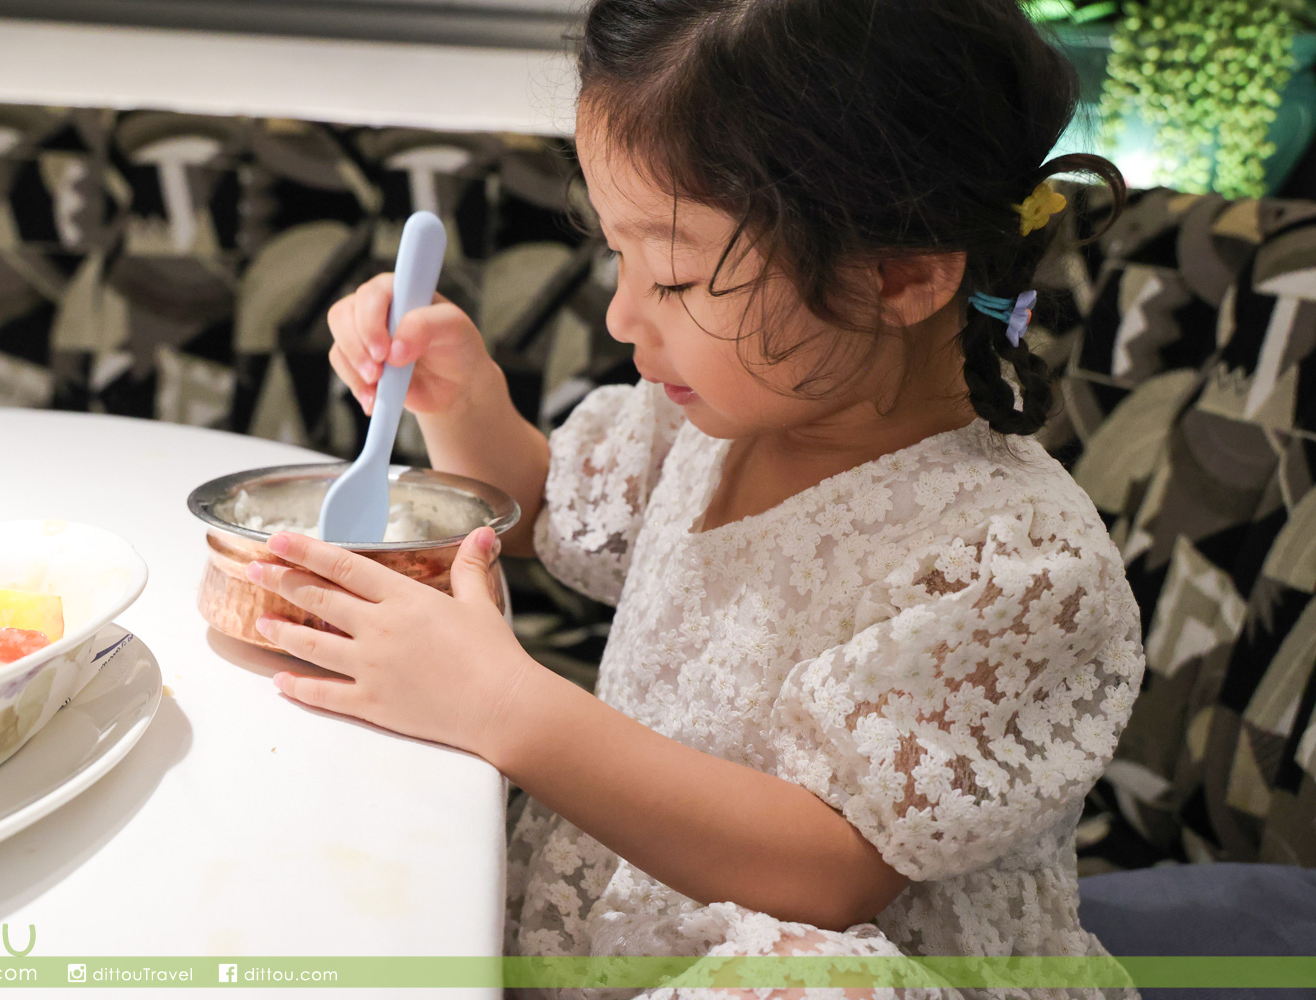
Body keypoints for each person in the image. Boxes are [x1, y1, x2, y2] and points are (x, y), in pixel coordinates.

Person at [247, 0, 1144, 996]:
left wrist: (507, 706)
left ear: (898, 277)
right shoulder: (709, 418)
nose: (621, 315)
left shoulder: (1018, 564)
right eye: (617, 255)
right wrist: (461, 401)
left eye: (671, 279)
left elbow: (830, 871)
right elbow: (543, 506)